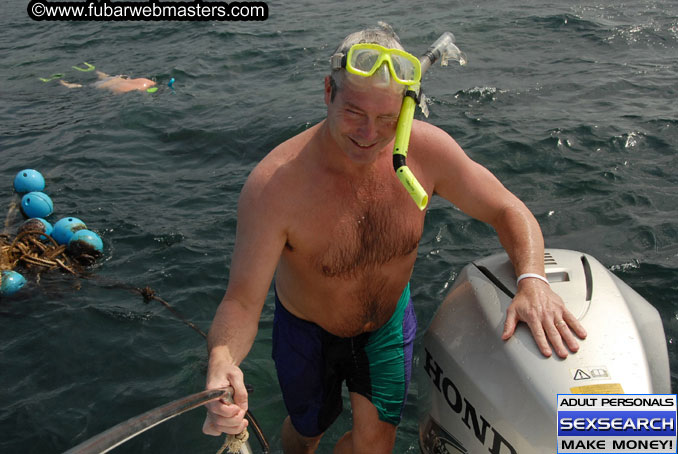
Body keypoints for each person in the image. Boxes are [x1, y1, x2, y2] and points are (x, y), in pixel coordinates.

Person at [202, 23, 587, 454]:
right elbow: (241, 301)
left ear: (408, 109)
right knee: (307, 430)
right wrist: (221, 360)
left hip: (385, 327)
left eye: (387, 118)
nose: (369, 135)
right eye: (354, 112)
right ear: (329, 91)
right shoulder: (276, 186)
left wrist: (532, 280)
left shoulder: (428, 154)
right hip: (307, 335)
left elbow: (507, 209)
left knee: (375, 447)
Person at [59, 70, 156, 93]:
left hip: (120, 78)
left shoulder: (146, 81)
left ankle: (102, 75)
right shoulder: (147, 83)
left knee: (87, 86)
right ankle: (70, 85)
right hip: (111, 84)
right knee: (86, 87)